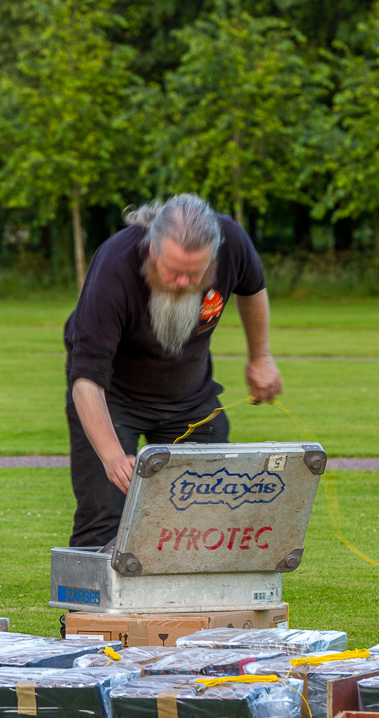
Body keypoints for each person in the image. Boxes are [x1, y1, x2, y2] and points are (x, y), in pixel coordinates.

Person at [64, 193, 283, 548]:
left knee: (206, 514)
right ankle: (95, 603)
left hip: (191, 400)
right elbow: (86, 380)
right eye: (173, 271)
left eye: (194, 274)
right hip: (114, 401)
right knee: (103, 513)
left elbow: (253, 288)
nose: (183, 282)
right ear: (152, 249)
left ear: (214, 256)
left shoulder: (232, 241)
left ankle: (195, 603)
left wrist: (261, 356)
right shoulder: (113, 267)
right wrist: (112, 456)